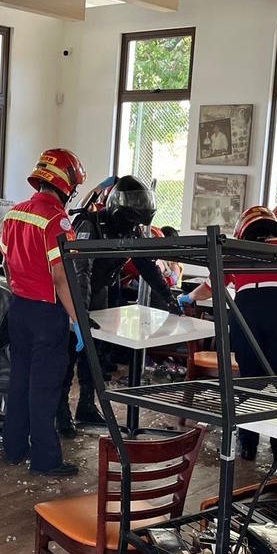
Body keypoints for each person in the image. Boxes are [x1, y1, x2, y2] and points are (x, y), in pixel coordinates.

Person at [177, 206, 277, 476]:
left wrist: (188, 297)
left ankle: (247, 444)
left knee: (250, 381)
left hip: (246, 311)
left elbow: (211, 287)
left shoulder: (235, 251)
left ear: (242, 230)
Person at [58, 175, 184, 435]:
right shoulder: (90, 224)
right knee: (67, 358)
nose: (133, 226)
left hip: (100, 292)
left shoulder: (131, 230)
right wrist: (80, 314)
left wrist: (168, 297)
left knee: (94, 357)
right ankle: (60, 413)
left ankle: (86, 406)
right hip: (73, 295)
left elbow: (146, 265)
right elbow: (81, 271)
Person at [0, 148, 86, 477]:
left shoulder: (14, 214)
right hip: (47, 314)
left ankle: (13, 448)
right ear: (66, 184)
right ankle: (46, 460)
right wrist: (77, 319)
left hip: (18, 309)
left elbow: (6, 264)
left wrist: (19, 290)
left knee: (19, 381)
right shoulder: (56, 220)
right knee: (44, 388)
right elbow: (60, 277)